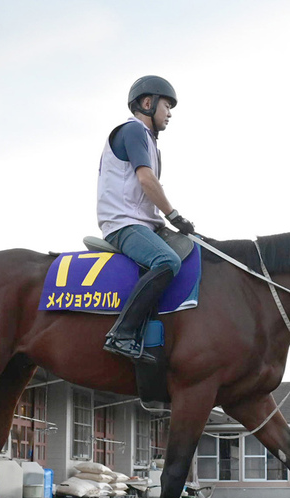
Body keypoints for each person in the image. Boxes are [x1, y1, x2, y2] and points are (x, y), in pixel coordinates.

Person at [97, 75, 196, 361]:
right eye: (167, 105)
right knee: (167, 261)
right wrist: (175, 216)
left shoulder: (151, 143)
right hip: (124, 224)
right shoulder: (134, 131)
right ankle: (122, 334)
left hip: (144, 225)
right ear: (148, 103)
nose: (170, 113)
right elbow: (146, 180)